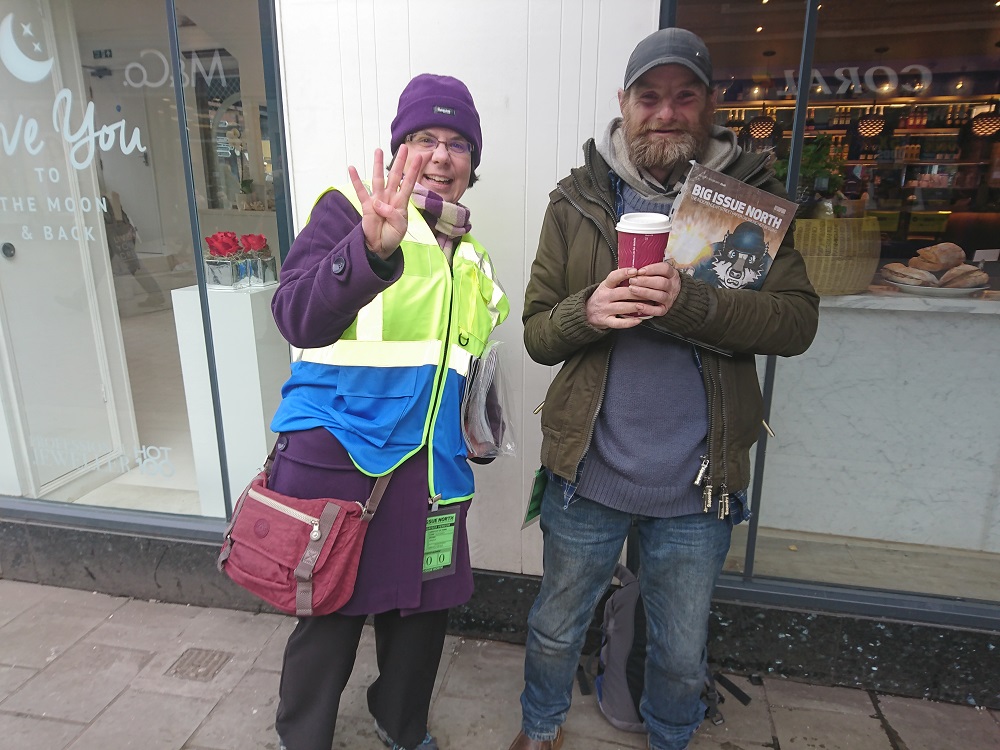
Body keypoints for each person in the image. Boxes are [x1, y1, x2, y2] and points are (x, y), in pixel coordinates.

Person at [509, 28, 819, 750]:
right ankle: (540, 726)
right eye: (649, 96)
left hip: (698, 482)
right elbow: (534, 332)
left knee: (681, 651)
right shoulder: (578, 199)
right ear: (624, 103)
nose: (666, 112)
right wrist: (584, 313)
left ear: (709, 104)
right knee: (556, 625)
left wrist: (690, 302)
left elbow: (797, 323)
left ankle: (671, 738)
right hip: (588, 470)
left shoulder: (745, 202)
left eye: (684, 96)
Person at [268, 73, 508, 750]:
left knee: (424, 614)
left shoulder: (475, 259)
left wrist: (479, 425)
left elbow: (462, 364)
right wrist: (368, 250)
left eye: (458, 143)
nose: (441, 155)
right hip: (344, 464)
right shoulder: (347, 213)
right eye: (424, 138)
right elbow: (294, 315)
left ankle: (399, 724)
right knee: (332, 616)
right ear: (398, 149)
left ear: (473, 162)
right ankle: (303, 737)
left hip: (433, 471)